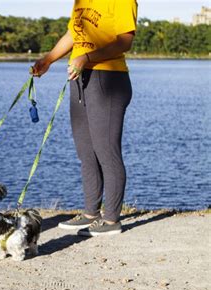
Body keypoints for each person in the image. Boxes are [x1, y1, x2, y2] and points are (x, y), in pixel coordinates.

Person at [32, 0, 138, 236]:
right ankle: (91, 213)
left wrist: (87, 58)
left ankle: (111, 219)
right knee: (86, 152)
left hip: (108, 78)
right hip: (80, 78)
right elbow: (74, 33)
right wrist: (48, 59)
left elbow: (124, 41)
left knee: (106, 151)